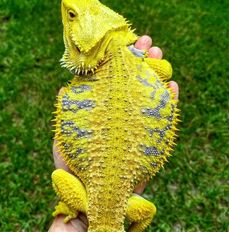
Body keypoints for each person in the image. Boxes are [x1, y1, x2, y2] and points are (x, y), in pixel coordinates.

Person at [49, 35, 179, 232]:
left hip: (85, 199)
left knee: (60, 175)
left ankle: (71, 212)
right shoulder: (142, 65)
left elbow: (61, 176)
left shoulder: (93, 69)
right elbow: (166, 69)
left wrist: (73, 214)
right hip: (116, 196)